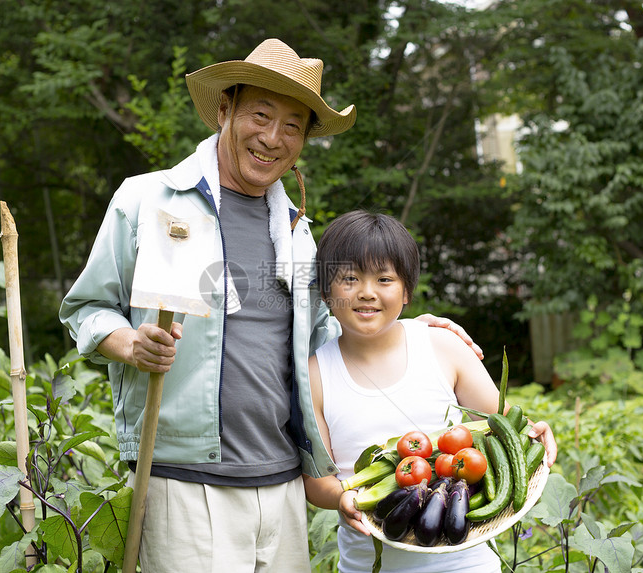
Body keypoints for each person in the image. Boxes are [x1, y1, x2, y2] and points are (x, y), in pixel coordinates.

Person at [59, 39, 484, 573]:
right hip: (184, 478)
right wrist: (131, 345)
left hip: (284, 481)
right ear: (224, 110)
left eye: (293, 126)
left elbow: (324, 337)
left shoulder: (297, 233)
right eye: (260, 115)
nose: (273, 138)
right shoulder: (148, 202)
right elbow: (86, 309)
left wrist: (406, 329)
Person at [302, 210, 558, 573]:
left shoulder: (443, 347)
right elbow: (316, 484)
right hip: (367, 564)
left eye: (384, 278)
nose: (367, 292)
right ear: (327, 291)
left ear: (406, 289)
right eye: (350, 278)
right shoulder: (315, 374)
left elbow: (502, 426)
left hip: (466, 561)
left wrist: (532, 431)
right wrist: (344, 496)